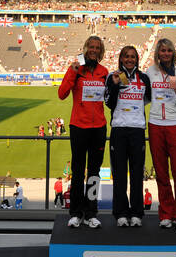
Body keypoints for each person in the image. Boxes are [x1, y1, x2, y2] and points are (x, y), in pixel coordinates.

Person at [58, 35, 109, 229]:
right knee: (78, 172)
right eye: (90, 47)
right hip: (78, 126)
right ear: (85, 48)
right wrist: (72, 71)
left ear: (100, 51)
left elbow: (110, 96)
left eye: (97, 47)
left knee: (94, 173)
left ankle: (91, 212)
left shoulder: (104, 72)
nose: (93, 50)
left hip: (98, 128)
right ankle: (76, 213)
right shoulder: (76, 68)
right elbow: (61, 94)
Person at [147, 38, 176, 231]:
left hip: (175, 125)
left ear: (173, 52)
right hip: (155, 124)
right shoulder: (150, 72)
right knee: (161, 174)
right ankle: (166, 213)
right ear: (157, 53)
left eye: (169, 51)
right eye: (162, 51)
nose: (165, 54)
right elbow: (145, 96)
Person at [105, 45, 151, 228]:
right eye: (126, 56)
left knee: (137, 173)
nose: (130, 59)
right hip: (119, 129)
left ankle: (137, 212)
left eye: (132, 56)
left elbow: (148, 99)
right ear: (121, 59)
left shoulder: (144, 77)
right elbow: (108, 103)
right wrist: (115, 86)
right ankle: (121, 213)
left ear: (137, 59)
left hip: (137, 129)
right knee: (119, 174)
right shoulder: (113, 76)